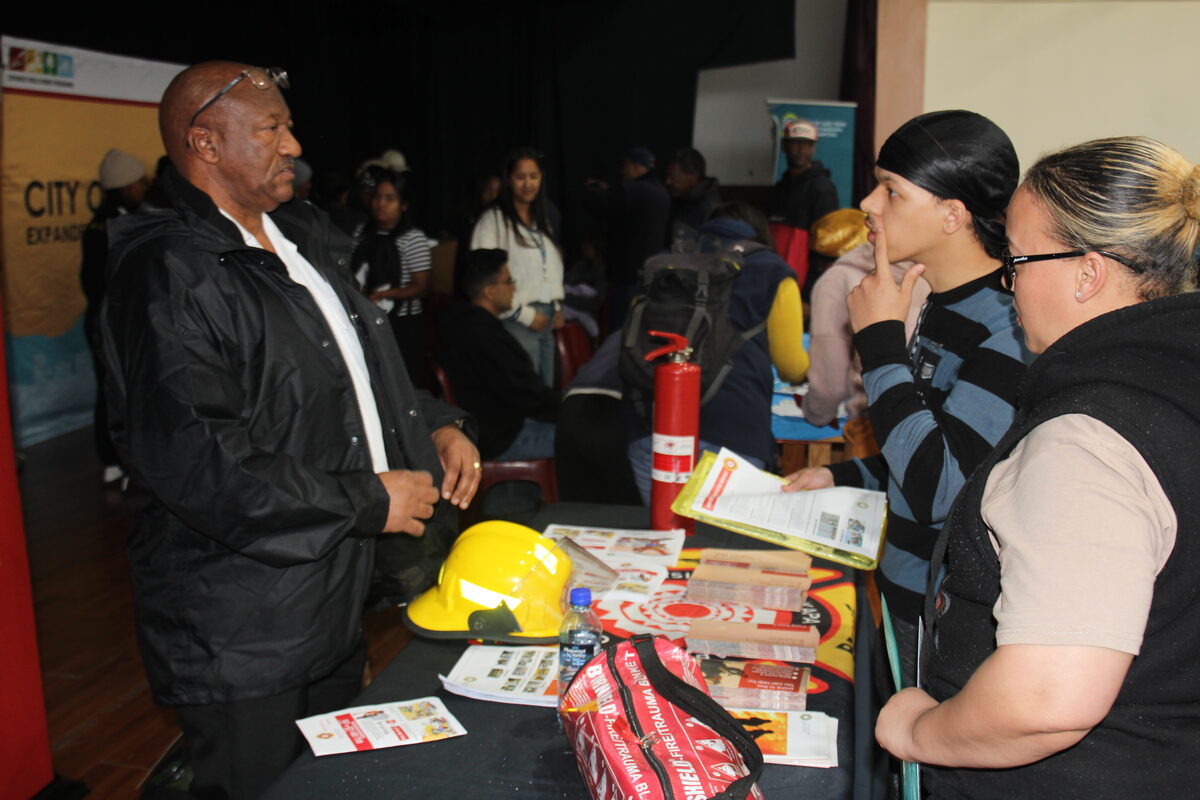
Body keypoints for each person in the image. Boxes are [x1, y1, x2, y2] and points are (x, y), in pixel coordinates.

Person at [101, 61, 480, 800]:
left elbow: (356, 372)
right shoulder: (170, 272)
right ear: (204, 143)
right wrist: (370, 502)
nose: (294, 143)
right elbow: (203, 463)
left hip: (327, 594)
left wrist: (433, 424)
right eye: (271, 128)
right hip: (239, 622)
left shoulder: (301, 238)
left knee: (327, 784)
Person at [876, 136, 1200, 798]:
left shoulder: (1089, 439)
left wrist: (920, 730)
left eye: (1018, 260)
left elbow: (1047, 697)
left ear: (1088, 273)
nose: (1008, 281)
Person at [783, 111, 1033, 680]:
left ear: (953, 214)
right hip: (901, 592)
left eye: (891, 192)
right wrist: (844, 476)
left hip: (949, 620)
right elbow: (931, 440)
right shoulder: (941, 302)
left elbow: (938, 488)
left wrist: (879, 343)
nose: (868, 205)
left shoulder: (1009, 328)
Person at [626, 202, 809, 502]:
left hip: (652, 425)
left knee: (669, 540)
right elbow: (791, 364)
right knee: (725, 546)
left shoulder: (664, 264)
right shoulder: (772, 271)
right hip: (735, 431)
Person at [802, 209, 929, 427]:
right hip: (929, 423)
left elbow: (828, 383)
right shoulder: (932, 273)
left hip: (872, 424)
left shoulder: (838, 279)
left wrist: (816, 414)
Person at [438, 248, 560, 460]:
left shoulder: (467, 323)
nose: (514, 288)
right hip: (500, 437)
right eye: (509, 281)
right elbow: (524, 393)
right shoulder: (481, 335)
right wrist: (571, 409)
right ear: (490, 291)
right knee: (587, 434)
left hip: (494, 424)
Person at [80, 148, 151, 485]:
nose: (143, 188)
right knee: (122, 391)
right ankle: (124, 462)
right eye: (139, 183)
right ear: (125, 186)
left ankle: (113, 460)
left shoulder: (98, 223)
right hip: (114, 324)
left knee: (108, 389)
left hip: (100, 320)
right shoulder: (122, 226)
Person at [470, 147, 565, 385]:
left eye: (534, 176)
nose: (528, 183)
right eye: (520, 177)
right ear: (508, 180)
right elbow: (482, 277)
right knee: (525, 393)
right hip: (516, 319)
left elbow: (548, 268)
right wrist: (522, 314)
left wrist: (556, 304)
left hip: (546, 319)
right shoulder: (493, 220)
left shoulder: (541, 219)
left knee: (545, 393)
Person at [351, 169, 432, 388]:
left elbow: (421, 287)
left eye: (390, 199)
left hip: (402, 325)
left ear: (404, 204)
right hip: (366, 319)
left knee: (405, 384)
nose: (381, 204)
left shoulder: (413, 238)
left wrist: (384, 294)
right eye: (377, 197)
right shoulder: (362, 232)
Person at [585, 146, 672, 330]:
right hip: (652, 274)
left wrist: (591, 187)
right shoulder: (661, 192)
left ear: (634, 166)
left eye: (625, 166)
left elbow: (601, 202)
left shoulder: (632, 190)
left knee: (621, 330)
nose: (622, 172)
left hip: (628, 275)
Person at [767, 119, 839, 289]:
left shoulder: (822, 189)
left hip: (801, 287)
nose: (801, 150)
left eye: (807, 145)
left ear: (813, 148)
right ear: (785, 146)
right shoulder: (778, 189)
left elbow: (826, 247)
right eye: (795, 143)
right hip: (773, 280)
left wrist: (809, 294)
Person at [664, 146, 721, 247]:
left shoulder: (708, 208)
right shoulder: (679, 198)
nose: (668, 181)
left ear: (693, 176)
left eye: (674, 177)